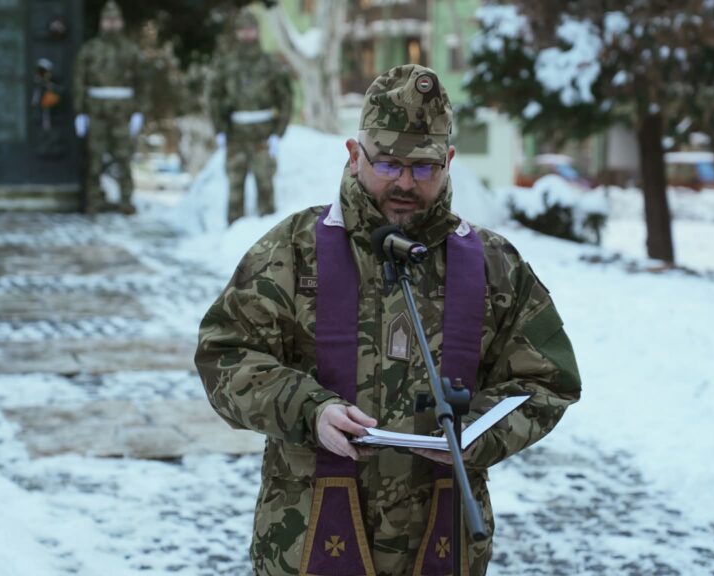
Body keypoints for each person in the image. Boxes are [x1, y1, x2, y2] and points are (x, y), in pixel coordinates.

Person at [195, 64, 581, 575]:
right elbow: (224, 355)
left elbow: (548, 380)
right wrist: (309, 409)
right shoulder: (294, 250)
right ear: (354, 155)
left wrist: (479, 432)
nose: (404, 182)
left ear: (448, 162)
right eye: (388, 163)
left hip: (442, 541)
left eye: (424, 168)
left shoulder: (493, 265)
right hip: (306, 537)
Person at [207, 9, 293, 224]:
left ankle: (270, 236)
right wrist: (219, 130)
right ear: (237, 32)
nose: (247, 34)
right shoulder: (226, 64)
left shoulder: (270, 63)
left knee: (266, 188)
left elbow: (285, 98)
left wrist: (278, 133)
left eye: (250, 29)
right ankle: (233, 235)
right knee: (235, 189)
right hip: (235, 135)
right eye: (242, 30)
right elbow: (214, 97)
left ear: (257, 31)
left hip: (263, 135)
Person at [73, 0, 146, 215]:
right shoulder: (89, 49)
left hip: (123, 112)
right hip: (96, 111)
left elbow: (142, 83)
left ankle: (126, 201)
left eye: (115, 20)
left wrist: (139, 112)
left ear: (121, 22)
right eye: (107, 20)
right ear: (101, 22)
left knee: (124, 157)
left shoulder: (131, 50)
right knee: (94, 158)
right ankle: (93, 201)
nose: (111, 24)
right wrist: (79, 112)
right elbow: (79, 81)